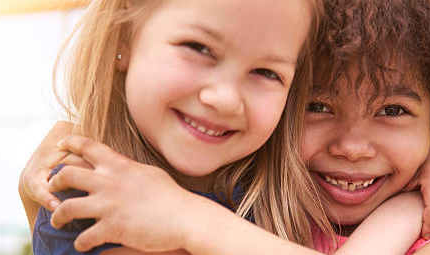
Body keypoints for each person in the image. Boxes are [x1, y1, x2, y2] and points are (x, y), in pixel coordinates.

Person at [38, 0, 430, 254]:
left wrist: (426, 175)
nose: (353, 146)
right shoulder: (255, 197)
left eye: (393, 111)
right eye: (318, 106)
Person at [20, 0, 339, 253]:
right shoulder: (86, 194)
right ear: (124, 36)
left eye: (267, 72)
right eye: (198, 48)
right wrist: (192, 222)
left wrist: (188, 216)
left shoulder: (296, 196)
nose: (226, 99)